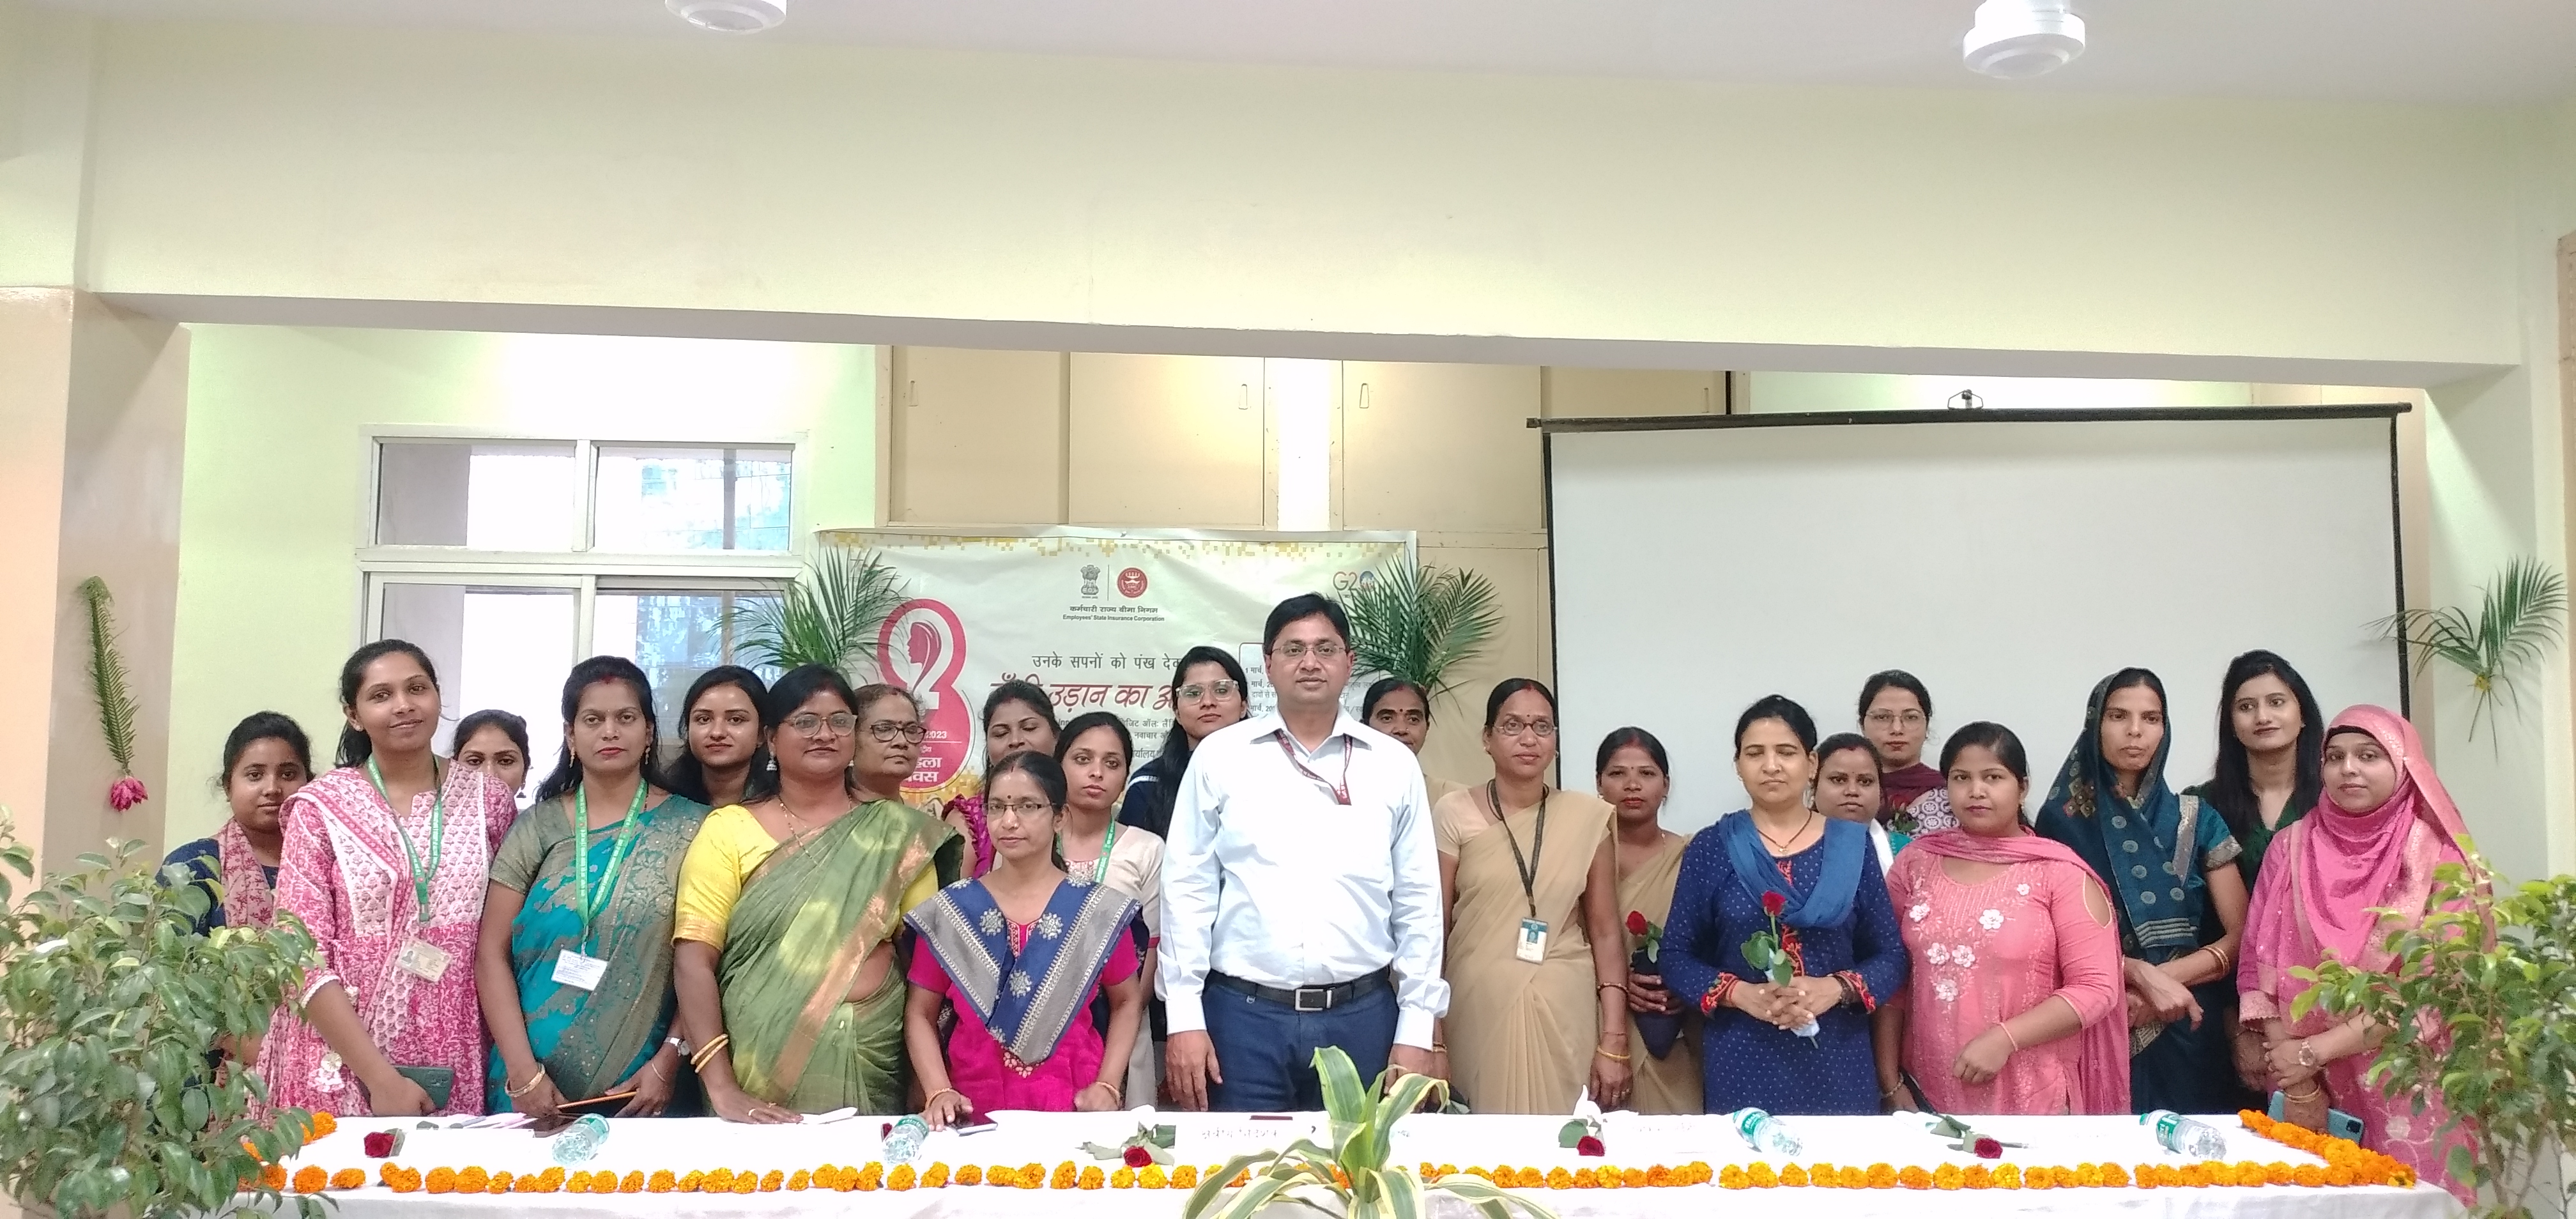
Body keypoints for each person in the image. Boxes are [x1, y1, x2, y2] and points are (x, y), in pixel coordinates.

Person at [1160, 594, 1447, 1111]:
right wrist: (1184, 1018)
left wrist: (1417, 1027)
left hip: (1363, 1019)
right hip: (1242, 1020)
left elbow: (1419, 901)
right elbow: (1187, 891)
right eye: (1293, 649)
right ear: (1268, 664)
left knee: (1359, 1165)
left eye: (1325, 648)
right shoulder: (1221, 757)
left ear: (1349, 662)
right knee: (1239, 1164)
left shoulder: (1392, 765)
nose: (1310, 662)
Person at [673, 668, 963, 1121]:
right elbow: (694, 960)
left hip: (872, 1061)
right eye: (806, 722)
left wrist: (925, 1080)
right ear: (771, 738)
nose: (824, 734)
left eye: (840, 721)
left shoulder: (899, 835)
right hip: (753, 1072)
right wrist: (722, 1087)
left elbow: (924, 971)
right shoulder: (729, 830)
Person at [257, 640, 520, 1117]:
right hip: (340, 1053)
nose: (403, 705)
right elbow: (299, 955)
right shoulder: (320, 808)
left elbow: (502, 937)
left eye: (416, 689)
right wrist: (381, 1079)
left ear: (437, 696)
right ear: (353, 714)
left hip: (456, 1044)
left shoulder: (490, 801)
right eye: (381, 695)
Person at [2239, 706, 2474, 1203]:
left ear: (2403, 766)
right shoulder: (2290, 847)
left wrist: (2313, 1052)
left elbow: (2433, 989)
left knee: (2410, 1205)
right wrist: (2298, 1076)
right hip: (2305, 1086)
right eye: (2335, 757)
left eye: (2369, 756)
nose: (2348, 769)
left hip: (2405, 1079)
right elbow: (2257, 964)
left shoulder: (2438, 857)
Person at [478, 657, 710, 1118]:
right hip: (527, 1081)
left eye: (626, 717)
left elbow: (706, 957)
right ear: (570, 735)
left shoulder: (695, 828)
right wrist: (523, 1073)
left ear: (648, 732)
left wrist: (670, 1057)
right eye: (593, 719)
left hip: (646, 1085)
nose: (610, 731)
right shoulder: (536, 828)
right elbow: (490, 953)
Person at [1662, 695, 1904, 1115]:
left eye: (1786, 753)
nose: (1771, 765)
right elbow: (1676, 956)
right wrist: (1740, 994)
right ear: (1738, 765)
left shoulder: (1852, 847)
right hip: (1743, 1054)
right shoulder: (1712, 847)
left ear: (1811, 764)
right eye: (1755, 753)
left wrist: (1835, 988)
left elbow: (1891, 956)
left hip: (1838, 1056)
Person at [2035, 668, 2255, 1116]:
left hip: (2187, 1019)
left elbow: (2242, 937)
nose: (2135, 731)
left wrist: (2162, 984)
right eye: (2119, 716)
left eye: (2150, 718)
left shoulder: (2198, 819)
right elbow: (2046, 942)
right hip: (2095, 1019)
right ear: (2095, 724)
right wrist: (2133, 976)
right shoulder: (2059, 824)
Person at [1879, 723, 2128, 1116]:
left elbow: (2096, 988)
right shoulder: (1916, 863)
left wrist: (2004, 1039)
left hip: (2032, 1095)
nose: (1976, 790)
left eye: (1993, 777)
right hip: (1924, 1092)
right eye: (1961, 778)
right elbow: (1891, 977)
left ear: (2022, 787)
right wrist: (1890, 1083)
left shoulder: (2058, 872)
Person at [903, 751, 1145, 1124]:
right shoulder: (952, 911)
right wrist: (938, 1090)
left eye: (1028, 806)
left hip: (1072, 1107)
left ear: (1060, 817)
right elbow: (920, 1012)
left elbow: (1127, 1001)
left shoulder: (1097, 911)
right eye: (997, 807)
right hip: (973, 1108)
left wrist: (1109, 1084)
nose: (1009, 821)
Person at [1434, 679, 1628, 1114]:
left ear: (1555, 741)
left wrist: (1614, 1040)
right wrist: (1432, 1036)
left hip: (1565, 1009)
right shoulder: (1453, 812)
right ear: (1487, 738)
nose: (1529, 738)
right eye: (1513, 725)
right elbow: (1434, 928)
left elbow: (1605, 932)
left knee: (1565, 1143)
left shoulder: (1586, 819)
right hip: (1476, 1007)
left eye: (1542, 727)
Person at [1054, 710, 1164, 1103]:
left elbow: (1153, 947)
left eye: (1112, 763)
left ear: (1125, 775)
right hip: (1042, 1028)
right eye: (1082, 759)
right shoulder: (1031, 841)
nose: (1096, 773)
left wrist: (1122, 1013)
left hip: (1122, 1025)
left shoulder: (1146, 849)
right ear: (1058, 765)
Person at [1597, 726, 1701, 1115]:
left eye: (1646, 773)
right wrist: (1614, 982)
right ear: (1599, 784)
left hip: (1671, 1024)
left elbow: (1710, 942)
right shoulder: (1576, 855)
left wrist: (1683, 982)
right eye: (1618, 773)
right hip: (1594, 1022)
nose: (1632, 785)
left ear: (1666, 785)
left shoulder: (1691, 856)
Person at [166, 711, 313, 937]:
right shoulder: (191, 868)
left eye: (288, 774)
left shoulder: (329, 864)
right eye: (255, 775)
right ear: (228, 787)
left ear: (310, 783)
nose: (272, 789)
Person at [2189, 650, 2325, 887]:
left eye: (2276, 702)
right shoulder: (2201, 806)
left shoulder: (2334, 797)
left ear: (2303, 714)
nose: (2262, 717)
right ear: (2231, 724)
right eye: (2246, 707)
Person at [1118, 647, 1250, 840]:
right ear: (1177, 713)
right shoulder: (1148, 784)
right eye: (1193, 693)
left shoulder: (1275, 772)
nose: (1208, 702)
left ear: (1243, 706)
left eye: (1222, 690)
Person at [937, 680, 1062, 878]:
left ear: (1056, 736)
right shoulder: (969, 820)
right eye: (1001, 733)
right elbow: (951, 896)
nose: (1016, 740)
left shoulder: (1078, 809)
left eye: (1029, 728)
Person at [663, 666, 770, 812]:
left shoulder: (783, 805)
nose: (717, 733)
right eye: (704, 719)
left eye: (736, 720)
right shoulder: (665, 803)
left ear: (762, 734)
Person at [1860, 671, 1954, 836]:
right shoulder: (1844, 793)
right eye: (1882, 717)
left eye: (1911, 717)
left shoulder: (1953, 796)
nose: (1897, 729)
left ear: (1927, 726)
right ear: (1862, 725)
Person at [1364, 677, 1468, 807]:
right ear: (1363, 728)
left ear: (1427, 728)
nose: (1401, 729)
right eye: (1387, 718)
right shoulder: (1344, 794)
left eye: (1413, 719)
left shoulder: (1455, 799)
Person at [1813, 732, 1902, 869]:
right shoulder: (1784, 848)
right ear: (1814, 784)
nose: (1852, 791)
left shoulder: (1908, 851)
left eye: (1865, 781)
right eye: (1839, 780)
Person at [453, 709, 532, 806]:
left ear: (524, 773)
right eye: (475, 761)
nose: (490, 775)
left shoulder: (539, 816)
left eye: (506, 761)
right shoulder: (436, 815)